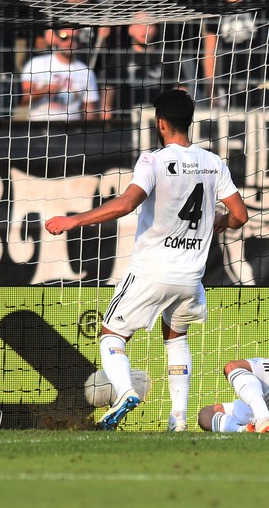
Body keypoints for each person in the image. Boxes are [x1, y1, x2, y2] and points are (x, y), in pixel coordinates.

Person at [44, 89, 249, 431]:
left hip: (152, 271)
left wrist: (74, 220)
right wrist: (220, 221)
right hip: (191, 277)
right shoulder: (215, 163)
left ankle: (124, 391)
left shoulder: (153, 161)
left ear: (161, 123)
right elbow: (240, 215)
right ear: (190, 121)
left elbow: (125, 204)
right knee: (177, 339)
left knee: (111, 336)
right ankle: (178, 420)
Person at [18, 27, 100, 121]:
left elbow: (90, 110)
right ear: (56, 38)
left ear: (79, 42)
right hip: (38, 126)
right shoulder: (37, 64)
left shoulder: (86, 72)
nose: (70, 42)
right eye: (64, 37)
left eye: (74, 38)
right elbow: (22, 99)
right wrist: (47, 90)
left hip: (72, 129)